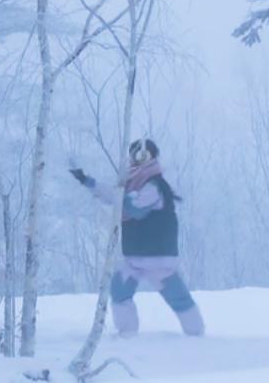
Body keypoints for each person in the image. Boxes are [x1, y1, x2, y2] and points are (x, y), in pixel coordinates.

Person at [69, 139, 204, 338]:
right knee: (120, 291)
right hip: (136, 257)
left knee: (178, 299)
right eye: (133, 155)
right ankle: (127, 335)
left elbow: (135, 209)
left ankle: (197, 337)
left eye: (138, 155)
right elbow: (118, 198)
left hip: (157, 258)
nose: (134, 159)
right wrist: (87, 181)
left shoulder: (153, 186)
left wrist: (121, 197)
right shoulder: (134, 184)